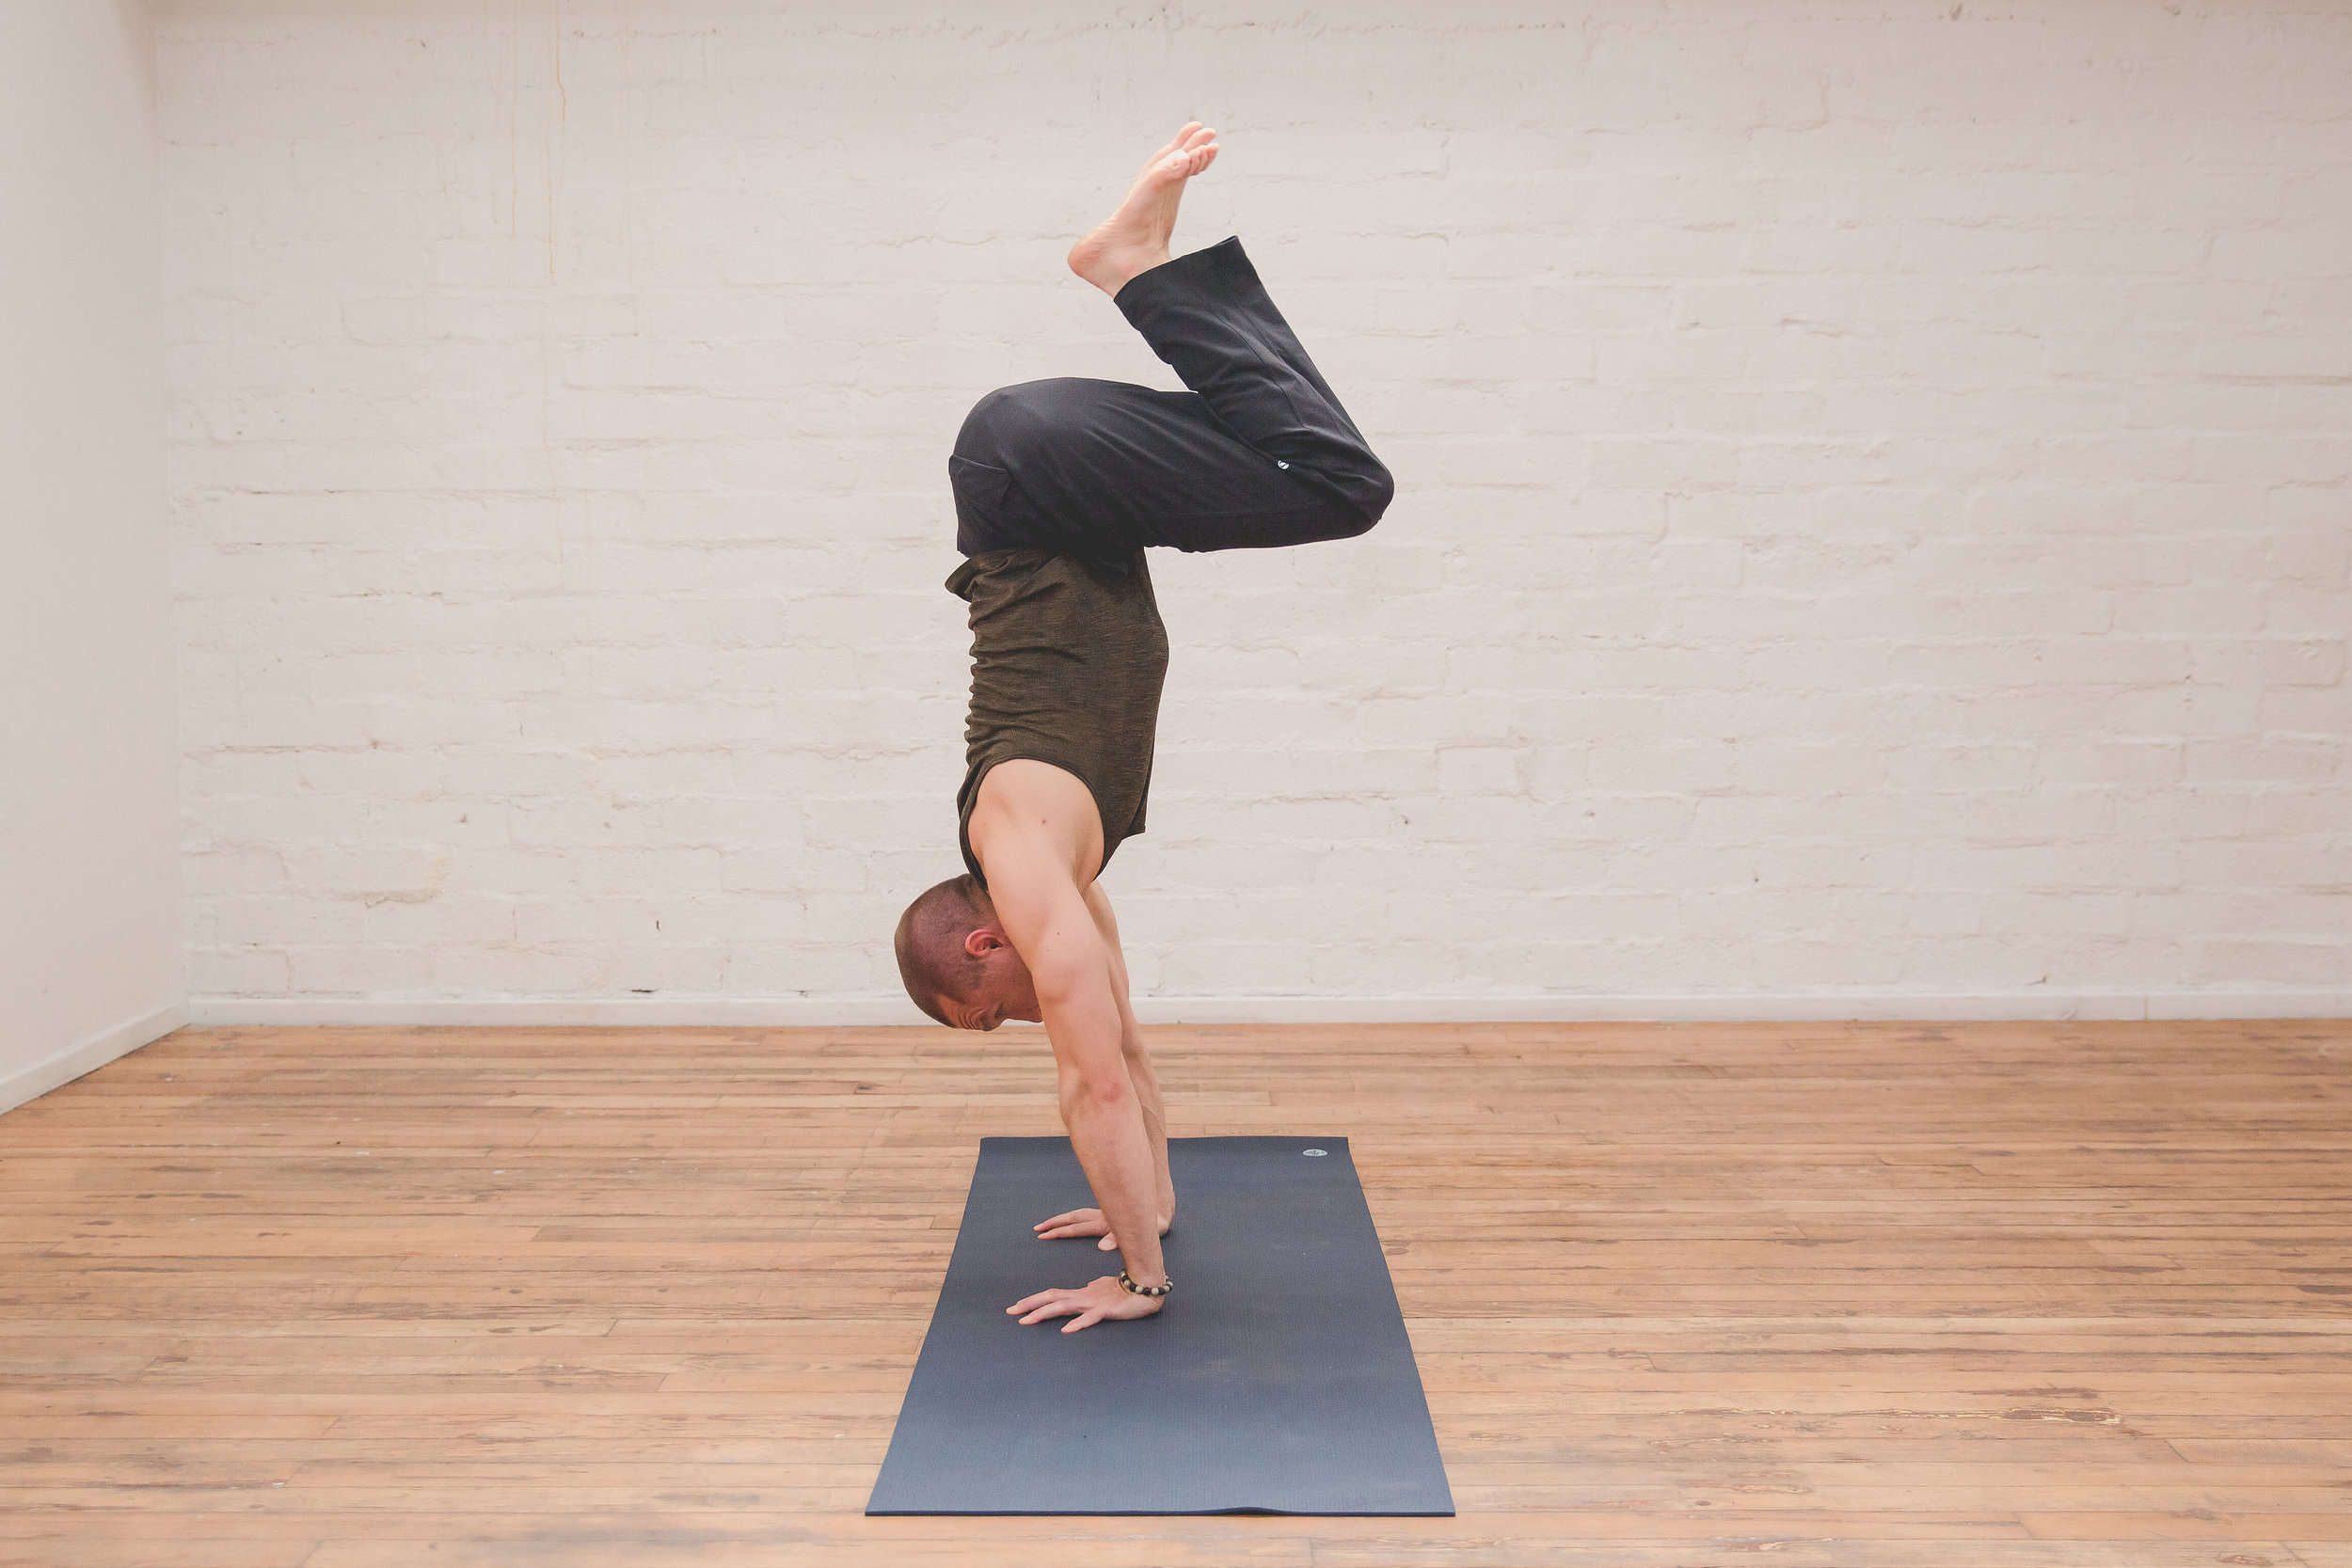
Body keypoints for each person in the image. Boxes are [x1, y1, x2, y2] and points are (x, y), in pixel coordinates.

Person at [892, 124, 1393, 1333]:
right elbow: (1125, 1040)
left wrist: (1135, 1284)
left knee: (1342, 486)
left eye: (994, 1012)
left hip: (1034, 474)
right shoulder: (1066, 864)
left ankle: (1127, 266)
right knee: (1325, 472)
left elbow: (1089, 1077)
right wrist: (1146, 1208)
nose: (1024, 1017)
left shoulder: (1018, 853)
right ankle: (1140, 265)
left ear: (978, 951)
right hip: (1059, 486)